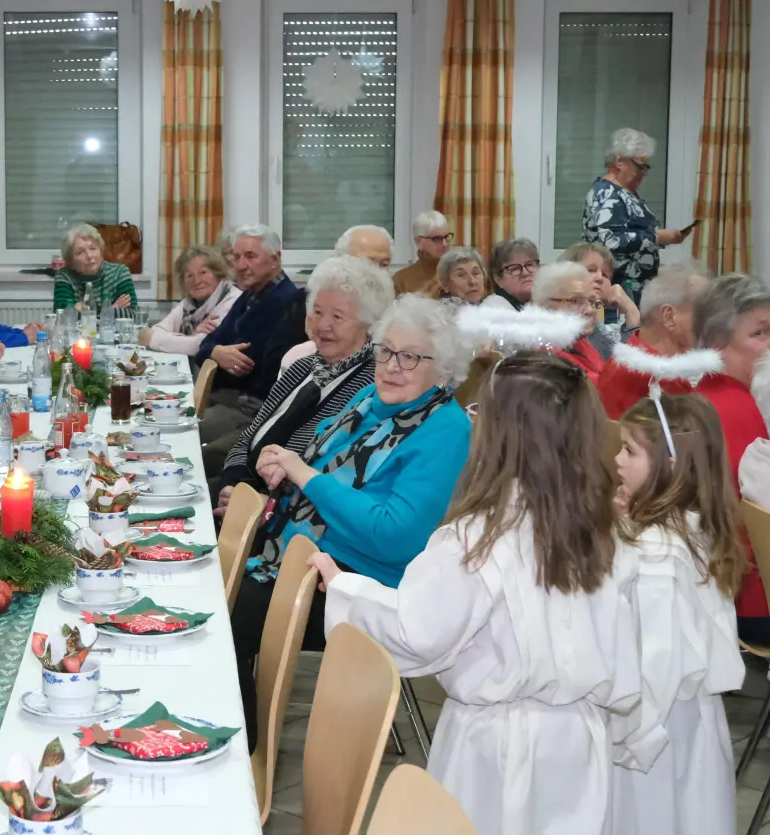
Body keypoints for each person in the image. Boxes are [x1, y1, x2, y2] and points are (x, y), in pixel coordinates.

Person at [311, 351, 638, 835]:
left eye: (479, 411)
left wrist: (344, 588)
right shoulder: (606, 528)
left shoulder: (476, 536)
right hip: (579, 739)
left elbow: (419, 632)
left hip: (495, 747)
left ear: (501, 434)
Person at [230, 295, 473, 742]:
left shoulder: (446, 429)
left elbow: (393, 536)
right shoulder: (368, 400)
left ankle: (242, 755)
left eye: (410, 357)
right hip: (302, 550)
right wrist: (280, 466)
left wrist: (305, 477)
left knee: (231, 616)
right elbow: (313, 469)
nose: (392, 366)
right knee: (213, 582)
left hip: (361, 583)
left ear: (443, 371)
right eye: (386, 351)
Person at [609, 394, 743, 835]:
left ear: (670, 465)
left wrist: (630, 739)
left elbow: (657, 664)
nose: (617, 460)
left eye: (629, 450)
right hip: (689, 722)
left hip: (656, 733)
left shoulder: (658, 559)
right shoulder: (687, 526)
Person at [213, 256, 392, 507]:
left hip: (288, 514)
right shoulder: (303, 366)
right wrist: (231, 483)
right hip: (243, 496)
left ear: (369, 324)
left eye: (337, 317)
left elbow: (332, 476)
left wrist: (263, 506)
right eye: (317, 312)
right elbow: (249, 436)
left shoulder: (371, 386)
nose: (323, 325)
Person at [689, 275, 770, 641]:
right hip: (751, 598)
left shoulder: (703, 396)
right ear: (717, 341)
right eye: (759, 333)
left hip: (716, 592)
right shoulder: (740, 411)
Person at [193, 224, 302, 469]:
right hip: (225, 401)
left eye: (251, 256)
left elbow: (247, 367)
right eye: (236, 257)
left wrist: (214, 354)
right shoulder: (250, 295)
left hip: (250, 412)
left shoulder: (286, 303)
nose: (241, 265)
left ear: (275, 259)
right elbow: (206, 345)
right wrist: (216, 352)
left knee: (180, 439)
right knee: (170, 425)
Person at [268, 224, 396, 386]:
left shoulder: (380, 373)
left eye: (383, 265)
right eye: (367, 263)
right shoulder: (300, 360)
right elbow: (272, 360)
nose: (375, 273)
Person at [584, 128, 691, 306]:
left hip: (635, 289)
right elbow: (611, 241)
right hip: (617, 292)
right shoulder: (606, 194)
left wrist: (665, 237)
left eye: (645, 167)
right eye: (639, 166)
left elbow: (635, 234)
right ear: (619, 161)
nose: (643, 172)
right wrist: (656, 237)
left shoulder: (626, 193)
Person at [596, 265, 710, 418]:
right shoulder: (648, 382)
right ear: (669, 317)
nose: (712, 324)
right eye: (704, 314)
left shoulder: (636, 367)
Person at [139, 245, 239, 355]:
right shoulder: (190, 303)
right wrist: (192, 335)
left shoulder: (232, 301)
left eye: (203, 272)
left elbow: (202, 345)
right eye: (190, 276)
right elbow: (157, 329)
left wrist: (153, 340)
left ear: (217, 274)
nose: (197, 281)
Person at [531, 261, 606, 384]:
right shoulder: (547, 360)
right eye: (576, 301)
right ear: (545, 306)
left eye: (592, 301)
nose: (589, 310)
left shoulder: (579, 341)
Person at [561, 241, 640, 354]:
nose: (599, 278)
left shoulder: (602, 331)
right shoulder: (555, 319)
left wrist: (631, 310)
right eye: (591, 270)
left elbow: (627, 358)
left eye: (605, 274)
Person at [52, 223, 138, 311]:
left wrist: (79, 309)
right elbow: (62, 314)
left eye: (93, 248)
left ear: (101, 250)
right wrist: (111, 309)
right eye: (80, 252)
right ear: (70, 260)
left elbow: (132, 313)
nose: (89, 256)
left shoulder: (119, 272)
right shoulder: (64, 276)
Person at [393, 210, 451, 296]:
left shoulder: (458, 272)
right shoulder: (401, 280)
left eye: (446, 237)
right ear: (419, 241)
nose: (444, 244)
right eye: (437, 239)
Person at [480, 239, 539, 311]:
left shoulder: (539, 303)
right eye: (515, 268)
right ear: (498, 279)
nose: (525, 273)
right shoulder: (494, 308)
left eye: (530, 265)